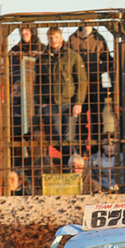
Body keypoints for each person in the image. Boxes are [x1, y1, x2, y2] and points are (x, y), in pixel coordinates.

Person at [35, 26, 88, 161]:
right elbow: (37, 83)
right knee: (55, 138)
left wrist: (78, 103)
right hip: (51, 104)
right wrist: (41, 103)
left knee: (68, 138)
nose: (53, 40)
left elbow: (81, 81)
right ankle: (75, 160)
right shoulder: (42, 59)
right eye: (51, 38)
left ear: (61, 38)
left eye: (56, 37)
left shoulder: (72, 56)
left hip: (69, 103)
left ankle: (71, 168)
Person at [68, 20, 113, 142]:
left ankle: (96, 147)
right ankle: (81, 148)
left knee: (97, 118)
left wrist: (98, 70)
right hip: (77, 86)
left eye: (89, 21)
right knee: (80, 119)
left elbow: (108, 60)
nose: (86, 23)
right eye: (84, 21)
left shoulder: (99, 39)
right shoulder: (72, 39)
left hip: (95, 84)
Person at [8, 23, 45, 143]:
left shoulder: (43, 50)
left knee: (37, 130)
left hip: (37, 98)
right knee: (17, 130)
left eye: (27, 31)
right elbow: (8, 74)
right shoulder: (14, 51)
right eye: (22, 31)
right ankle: (18, 159)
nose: (24, 34)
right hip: (18, 99)